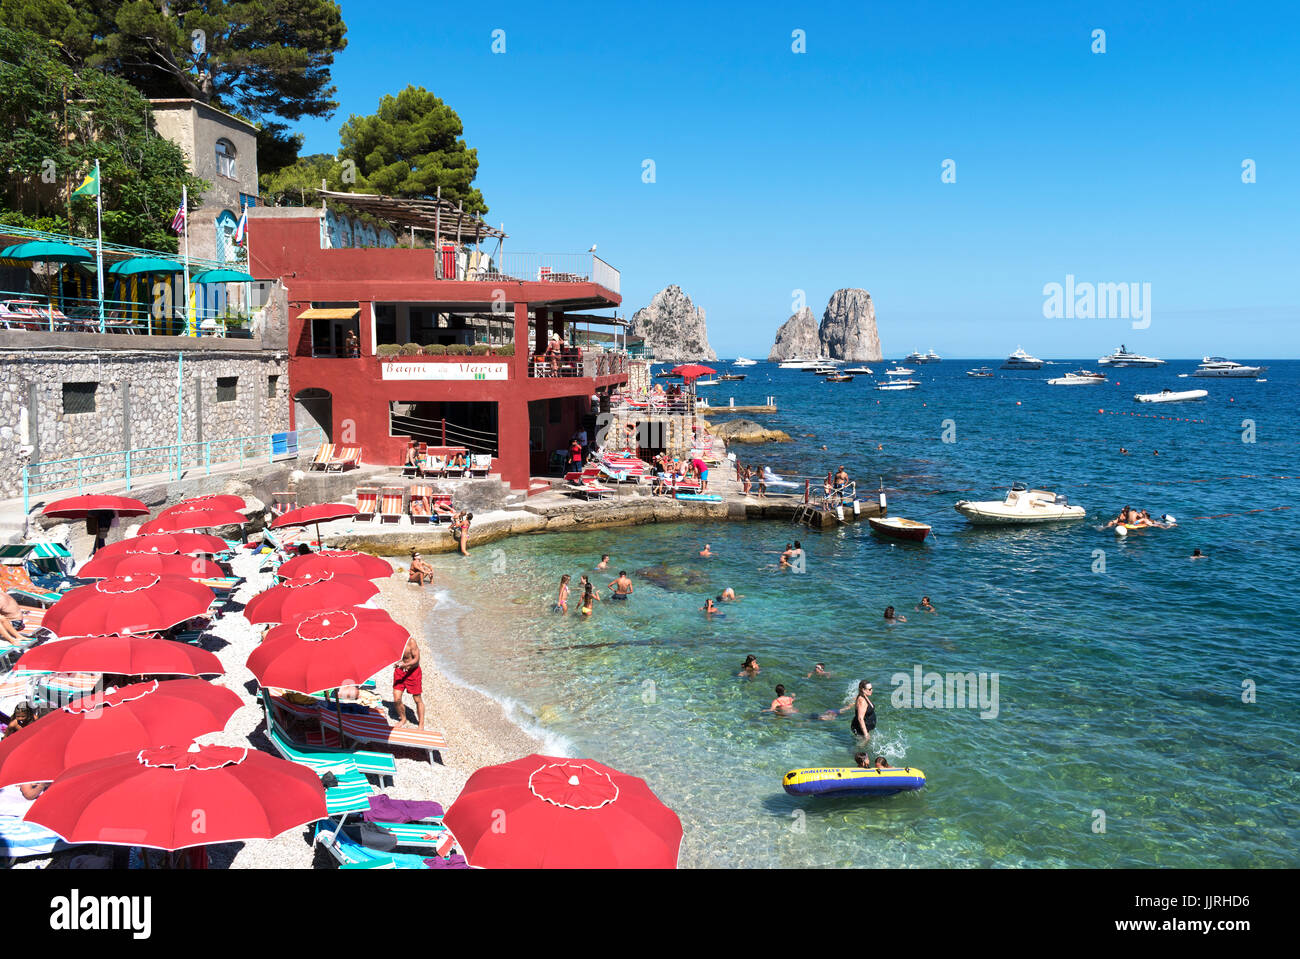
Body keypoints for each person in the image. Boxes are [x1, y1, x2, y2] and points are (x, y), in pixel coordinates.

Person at [392, 636, 424, 729]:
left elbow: (416, 659)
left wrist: (405, 664)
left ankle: (421, 724)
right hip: (400, 672)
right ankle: (403, 719)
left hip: (413, 672)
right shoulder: (394, 643)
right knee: (396, 698)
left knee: (417, 699)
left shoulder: (411, 642)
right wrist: (397, 663)